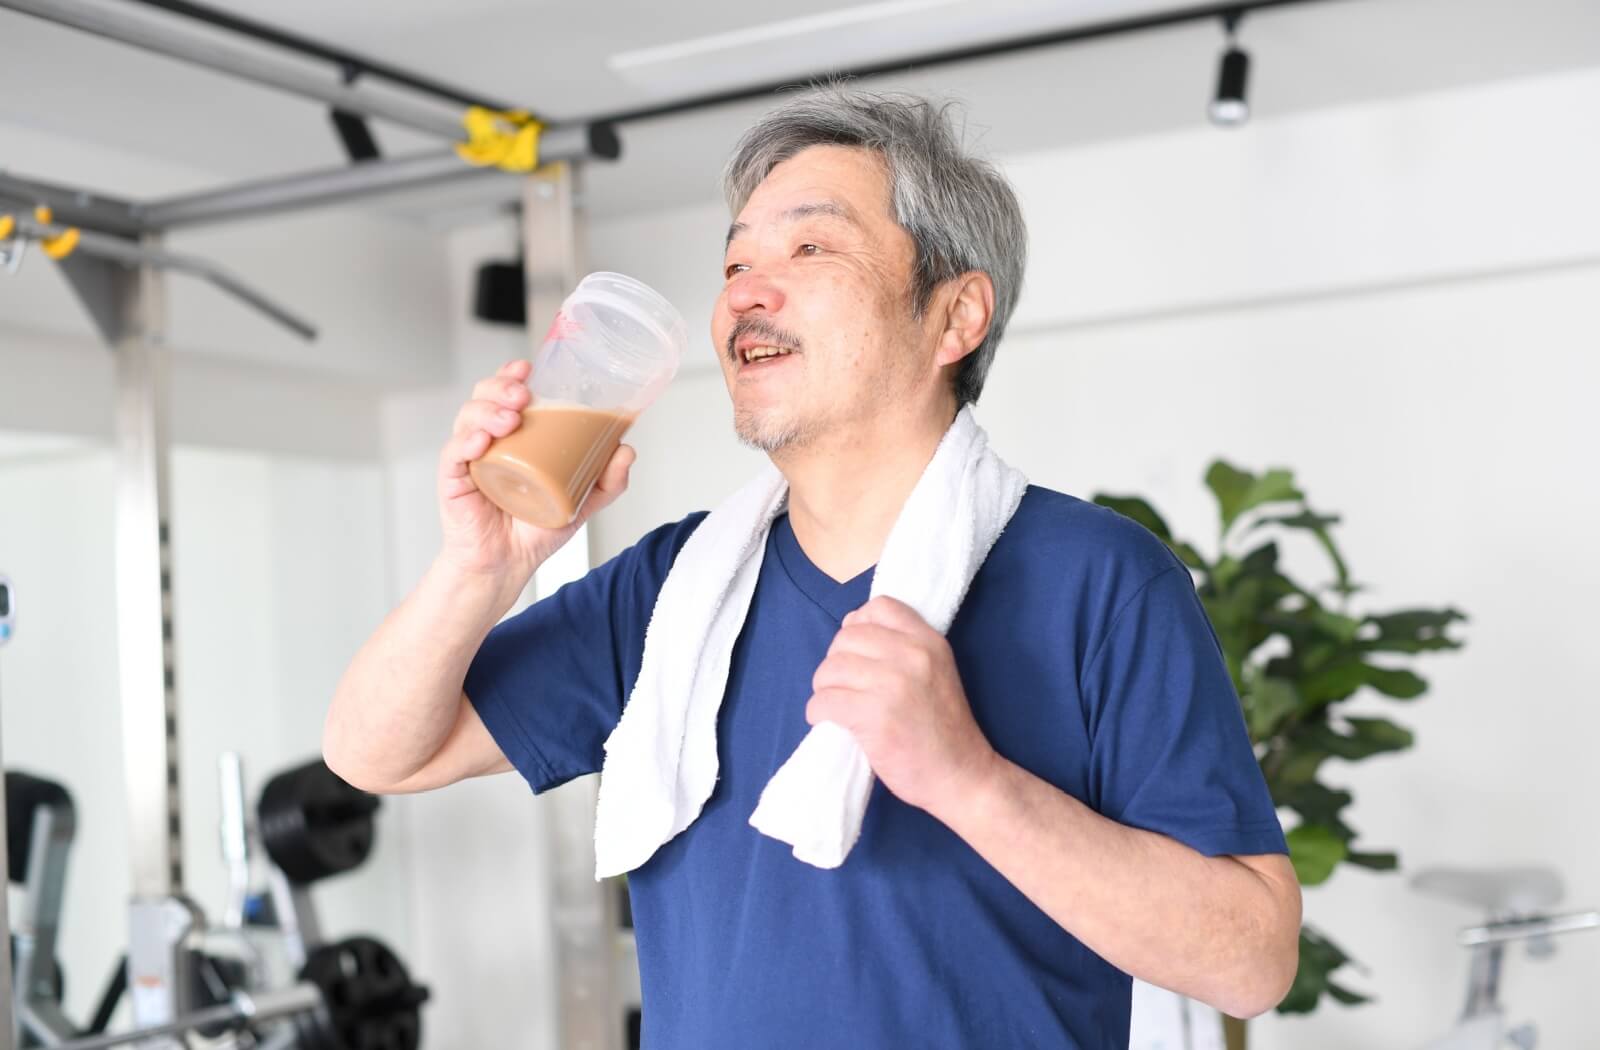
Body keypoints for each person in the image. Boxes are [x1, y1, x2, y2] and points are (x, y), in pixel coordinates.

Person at [324, 86, 1301, 1049]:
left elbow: (1251, 963)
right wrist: (480, 566)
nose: (746, 288)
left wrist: (968, 780)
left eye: (810, 247)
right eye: (735, 258)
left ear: (954, 316)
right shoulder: (672, 590)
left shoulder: (1100, 581)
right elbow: (379, 752)